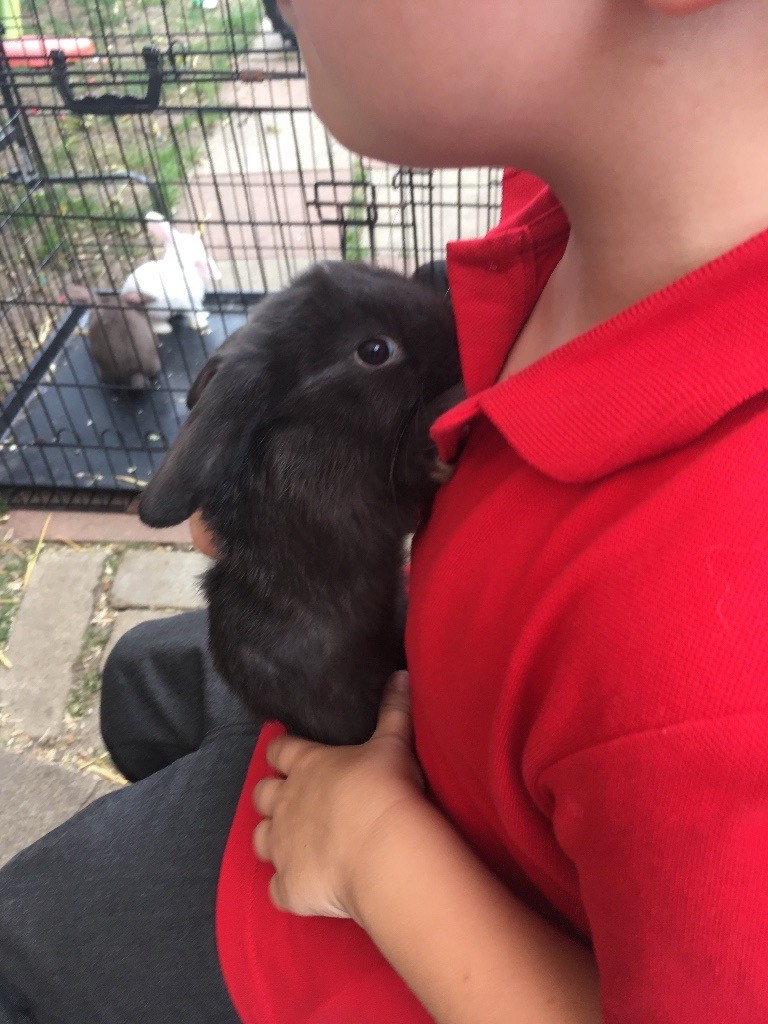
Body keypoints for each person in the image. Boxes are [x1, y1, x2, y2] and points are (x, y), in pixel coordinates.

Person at [2, 0, 768, 1021]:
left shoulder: (717, 662)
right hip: (426, 681)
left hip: (416, 916)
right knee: (138, 684)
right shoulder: (587, 184)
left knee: (24, 932)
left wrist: (373, 851)